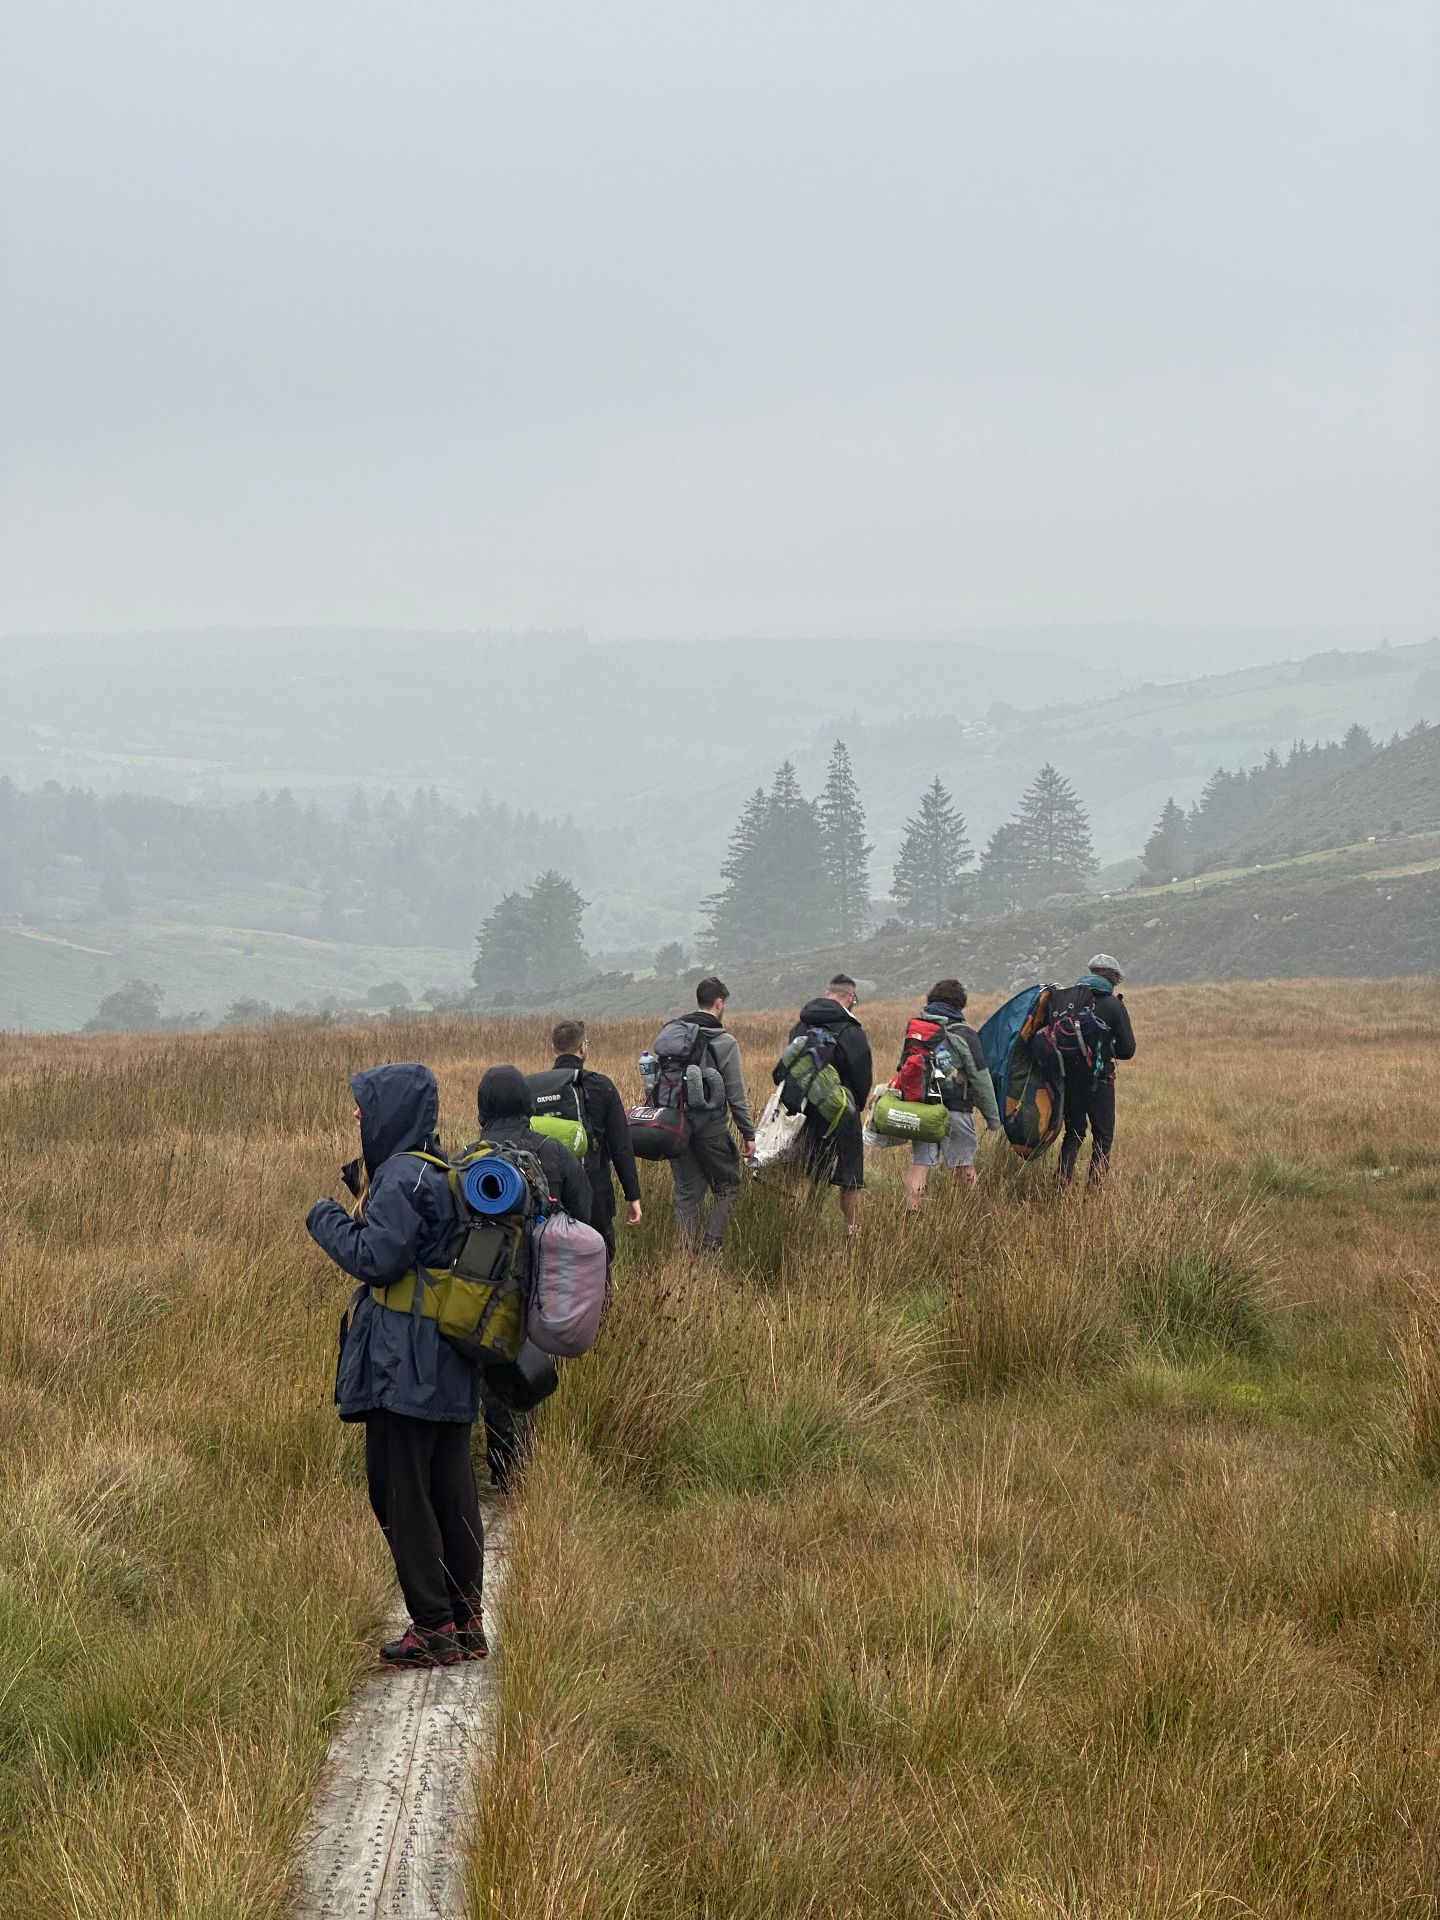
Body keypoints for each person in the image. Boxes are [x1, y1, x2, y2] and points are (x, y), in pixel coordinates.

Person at [305, 1062, 487, 1669]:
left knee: (400, 1492)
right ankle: (465, 1620)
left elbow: (375, 1258)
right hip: (450, 1357)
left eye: (364, 1108)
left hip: (405, 1365)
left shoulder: (402, 1178)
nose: (358, 1117)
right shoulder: (442, 1169)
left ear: (390, 1113)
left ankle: (433, 1626)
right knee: (451, 1491)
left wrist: (325, 1217)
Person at [472, 1064, 592, 1490]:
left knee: (493, 1378)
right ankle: (530, 1469)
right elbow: (585, 1218)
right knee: (533, 1372)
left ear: (482, 1106)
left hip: (483, 1293)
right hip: (545, 1289)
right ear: (526, 1102)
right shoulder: (554, 1152)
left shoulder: (468, 1157)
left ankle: (505, 1472)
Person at [545, 1018, 642, 1270]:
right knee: (599, 1256)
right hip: (594, 1188)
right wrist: (633, 1195)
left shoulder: (534, 1088)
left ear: (554, 1048)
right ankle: (602, 1307)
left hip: (547, 1189)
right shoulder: (601, 1085)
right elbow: (621, 1146)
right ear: (583, 1047)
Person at [669, 976, 756, 1253]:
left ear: (698, 1000)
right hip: (711, 1130)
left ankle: (684, 1259)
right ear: (719, 1003)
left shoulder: (675, 1036)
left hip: (675, 1126)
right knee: (728, 1187)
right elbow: (735, 1095)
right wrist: (748, 1134)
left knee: (687, 1194)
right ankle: (709, 1252)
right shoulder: (724, 1042)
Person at [902, 979, 1001, 1211]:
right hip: (955, 1108)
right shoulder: (964, 1033)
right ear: (960, 1004)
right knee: (964, 1166)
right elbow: (981, 1078)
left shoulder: (917, 1029)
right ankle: (974, 1215)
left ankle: (912, 1211)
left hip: (922, 1107)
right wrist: (993, 1119)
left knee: (921, 1165)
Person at [790, 974, 872, 1238]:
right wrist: (854, 1106)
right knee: (850, 1178)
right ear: (850, 998)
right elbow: (862, 1078)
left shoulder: (800, 1026)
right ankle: (852, 1230)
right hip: (841, 1114)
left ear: (827, 993)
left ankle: (800, 1227)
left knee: (806, 1171)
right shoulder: (851, 1031)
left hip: (803, 1114)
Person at [1050, 953, 1136, 1185]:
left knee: (1074, 1132)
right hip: (1100, 1080)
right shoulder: (1113, 1005)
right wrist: (1104, 1050)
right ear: (1114, 978)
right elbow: (1128, 1050)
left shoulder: (1067, 1002)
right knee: (1103, 1135)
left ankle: (1061, 1183)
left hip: (1069, 1078)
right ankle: (1094, 1190)